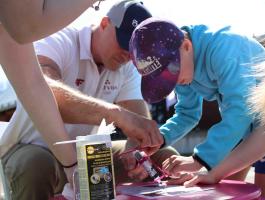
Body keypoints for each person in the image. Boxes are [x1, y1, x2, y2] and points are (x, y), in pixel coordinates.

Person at [0, 1, 175, 199]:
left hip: (87, 154)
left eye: (134, 49)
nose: (128, 54)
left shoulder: (127, 65)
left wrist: (137, 149)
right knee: (35, 164)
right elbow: (46, 93)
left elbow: (137, 120)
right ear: (104, 23)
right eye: (124, 42)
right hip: (32, 147)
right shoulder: (60, 39)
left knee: (162, 155)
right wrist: (117, 116)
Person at [129, 18, 265, 200]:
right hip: (239, 129)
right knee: (224, 191)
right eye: (163, 79)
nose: (172, 82)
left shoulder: (224, 47)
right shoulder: (182, 65)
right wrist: (159, 139)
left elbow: (240, 109)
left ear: (186, 46)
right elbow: (187, 114)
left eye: (171, 72)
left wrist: (199, 159)